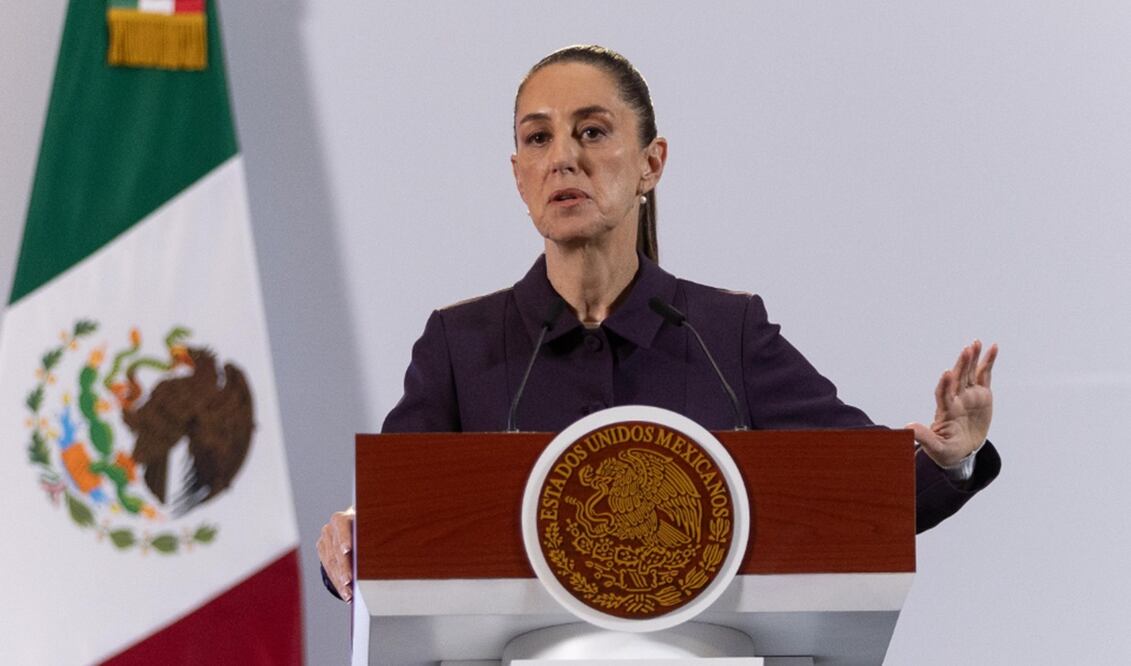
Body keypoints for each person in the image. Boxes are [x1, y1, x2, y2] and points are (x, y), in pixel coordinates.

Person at [317, 45, 1000, 603]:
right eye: (538, 138)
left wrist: (947, 456)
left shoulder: (724, 331)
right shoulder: (458, 345)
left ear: (651, 163)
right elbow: (391, 525)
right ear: (519, 175)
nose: (563, 157)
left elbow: (856, 495)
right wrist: (349, 537)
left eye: (591, 132)